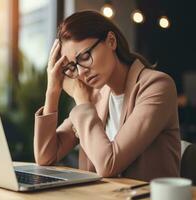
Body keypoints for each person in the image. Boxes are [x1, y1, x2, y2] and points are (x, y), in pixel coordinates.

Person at [33, 10, 181, 182]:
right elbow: (46, 156)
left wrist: (82, 102)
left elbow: (108, 164)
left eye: (85, 57)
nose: (81, 73)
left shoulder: (157, 86)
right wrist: (52, 89)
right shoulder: (96, 95)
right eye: (73, 66)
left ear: (111, 41)